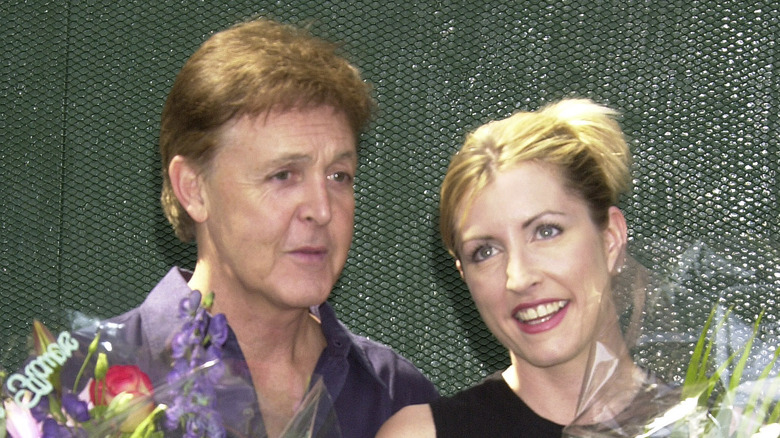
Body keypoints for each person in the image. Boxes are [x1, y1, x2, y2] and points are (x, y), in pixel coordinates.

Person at [73, 17, 438, 438]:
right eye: (284, 175)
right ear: (193, 189)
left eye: (339, 176)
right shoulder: (79, 389)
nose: (322, 210)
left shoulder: (398, 402)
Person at [376, 98, 639, 437]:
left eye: (546, 232)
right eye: (485, 252)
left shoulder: (711, 425)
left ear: (611, 239)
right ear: (463, 275)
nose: (519, 277)